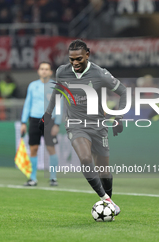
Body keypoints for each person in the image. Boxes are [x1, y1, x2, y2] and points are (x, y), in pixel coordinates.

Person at [40, 40, 127, 216]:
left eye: (78, 58)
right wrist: (48, 113)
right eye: (71, 59)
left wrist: (119, 118)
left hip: (98, 125)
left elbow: (123, 91)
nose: (75, 63)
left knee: (104, 170)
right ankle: (107, 200)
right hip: (75, 124)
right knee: (85, 158)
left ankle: (108, 202)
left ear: (87, 54)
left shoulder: (100, 74)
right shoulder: (62, 72)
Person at [20, 62, 62, 187]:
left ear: (50, 72)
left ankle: (53, 178)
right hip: (34, 120)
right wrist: (23, 121)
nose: (44, 71)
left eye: (46, 69)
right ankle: (32, 178)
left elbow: (60, 106)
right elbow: (28, 103)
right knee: (33, 148)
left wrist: (57, 124)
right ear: (38, 71)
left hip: (50, 121)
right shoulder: (33, 86)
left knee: (51, 148)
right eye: (42, 69)